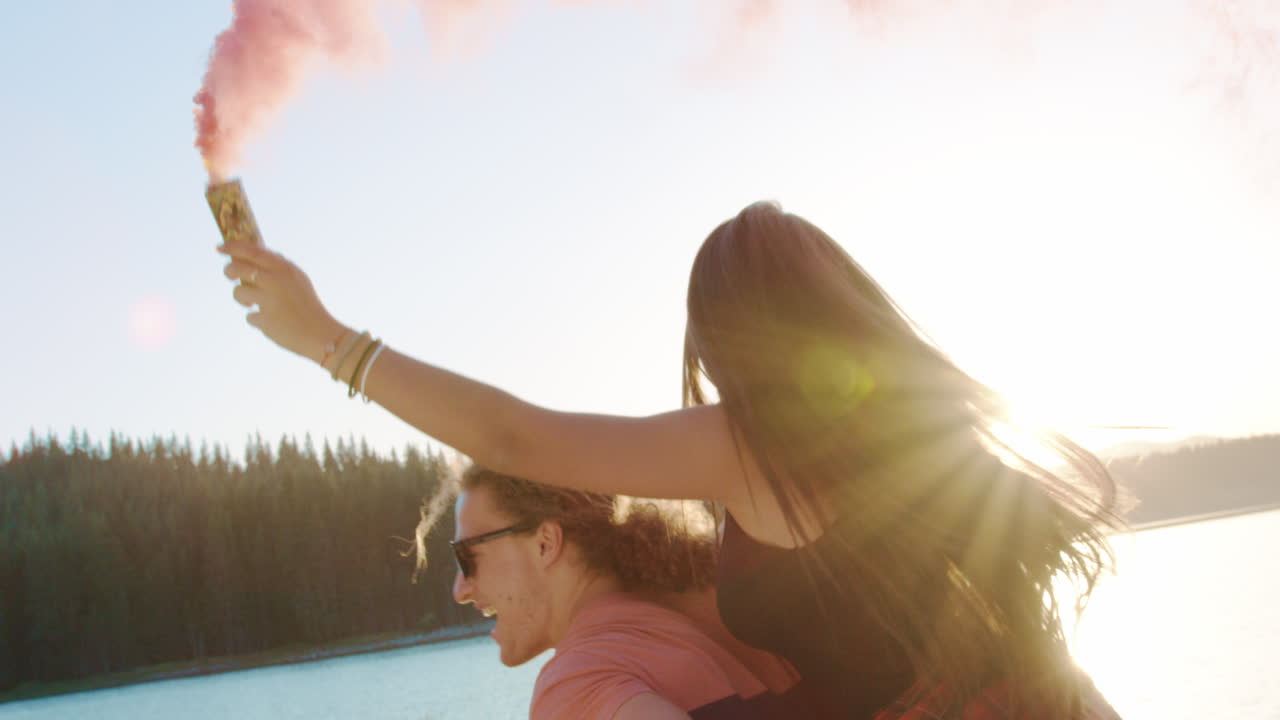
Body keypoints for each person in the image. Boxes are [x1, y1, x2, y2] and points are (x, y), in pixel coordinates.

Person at [217, 200, 1123, 718]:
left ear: (724, 332)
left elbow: (516, 438)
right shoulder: (922, 440)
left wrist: (332, 343)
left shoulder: (746, 445)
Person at [431, 462, 817, 719]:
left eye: (467, 557)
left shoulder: (578, 683)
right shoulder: (719, 599)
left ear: (545, 543)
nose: (459, 589)